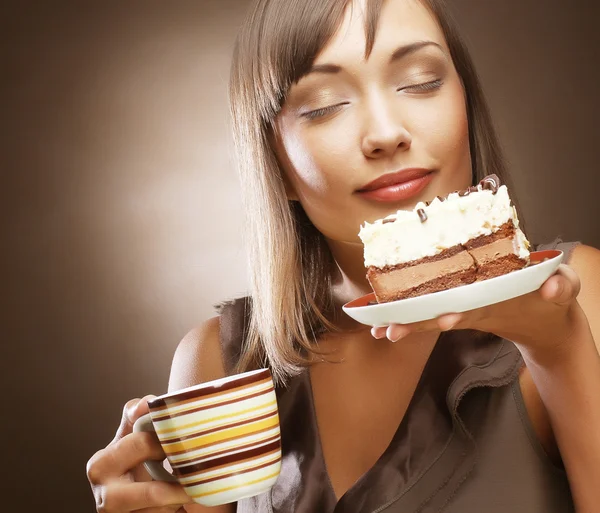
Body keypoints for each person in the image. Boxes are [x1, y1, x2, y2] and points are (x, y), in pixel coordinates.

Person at [86, 0, 600, 511]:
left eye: (421, 81)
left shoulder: (578, 292)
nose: (385, 134)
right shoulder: (220, 361)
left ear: (466, 101)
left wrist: (560, 348)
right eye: (325, 105)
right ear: (275, 161)